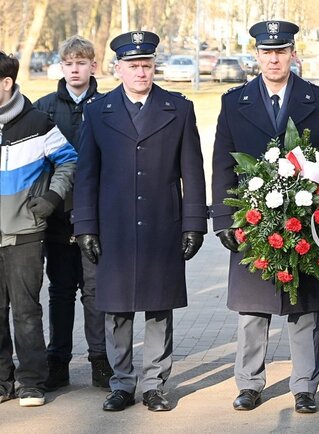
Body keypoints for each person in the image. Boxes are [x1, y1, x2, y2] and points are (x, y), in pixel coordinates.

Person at [211, 20, 319, 414]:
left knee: (303, 310)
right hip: (252, 223)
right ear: (256, 56)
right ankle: (249, 383)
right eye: (267, 52)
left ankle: (304, 386)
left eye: (281, 51)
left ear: (292, 53)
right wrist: (224, 219)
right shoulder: (234, 102)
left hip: (304, 223)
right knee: (252, 310)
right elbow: (222, 164)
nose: (274, 59)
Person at [72, 31, 207, 412]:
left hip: (162, 223)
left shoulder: (178, 109)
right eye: (133, 66)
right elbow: (87, 174)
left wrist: (194, 223)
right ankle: (121, 384)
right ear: (118, 69)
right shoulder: (98, 111)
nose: (141, 72)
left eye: (146, 65)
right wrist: (85, 226)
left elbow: (192, 172)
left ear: (154, 67)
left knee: (159, 307)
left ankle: (154, 385)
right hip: (113, 226)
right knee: (116, 308)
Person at [33, 35, 112, 392]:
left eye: (82, 63)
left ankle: (100, 359)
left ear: (93, 66)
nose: (75, 69)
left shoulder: (108, 106)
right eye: (69, 63)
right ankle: (58, 361)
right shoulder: (43, 109)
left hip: (95, 215)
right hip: (56, 215)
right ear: (61, 66)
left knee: (94, 291)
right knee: (61, 290)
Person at [0, 51, 77, 407]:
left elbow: (69, 160)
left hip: (25, 232)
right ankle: (2, 381)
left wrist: (50, 199)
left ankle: (31, 381)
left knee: (26, 310)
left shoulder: (38, 123)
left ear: (6, 83)